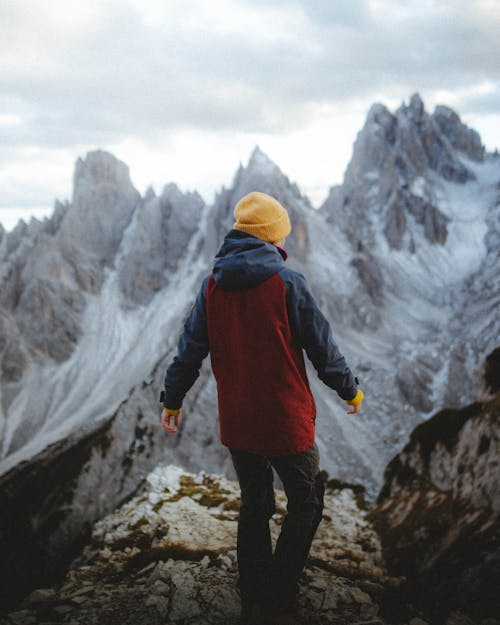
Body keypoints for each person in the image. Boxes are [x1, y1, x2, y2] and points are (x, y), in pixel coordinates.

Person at [160, 191, 363, 625]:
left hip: (238, 423)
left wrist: (172, 399)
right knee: (306, 501)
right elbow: (322, 349)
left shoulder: (211, 285)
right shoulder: (288, 283)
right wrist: (350, 391)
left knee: (255, 504)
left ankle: (252, 594)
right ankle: (278, 592)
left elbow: (189, 349)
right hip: (286, 421)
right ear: (272, 237)